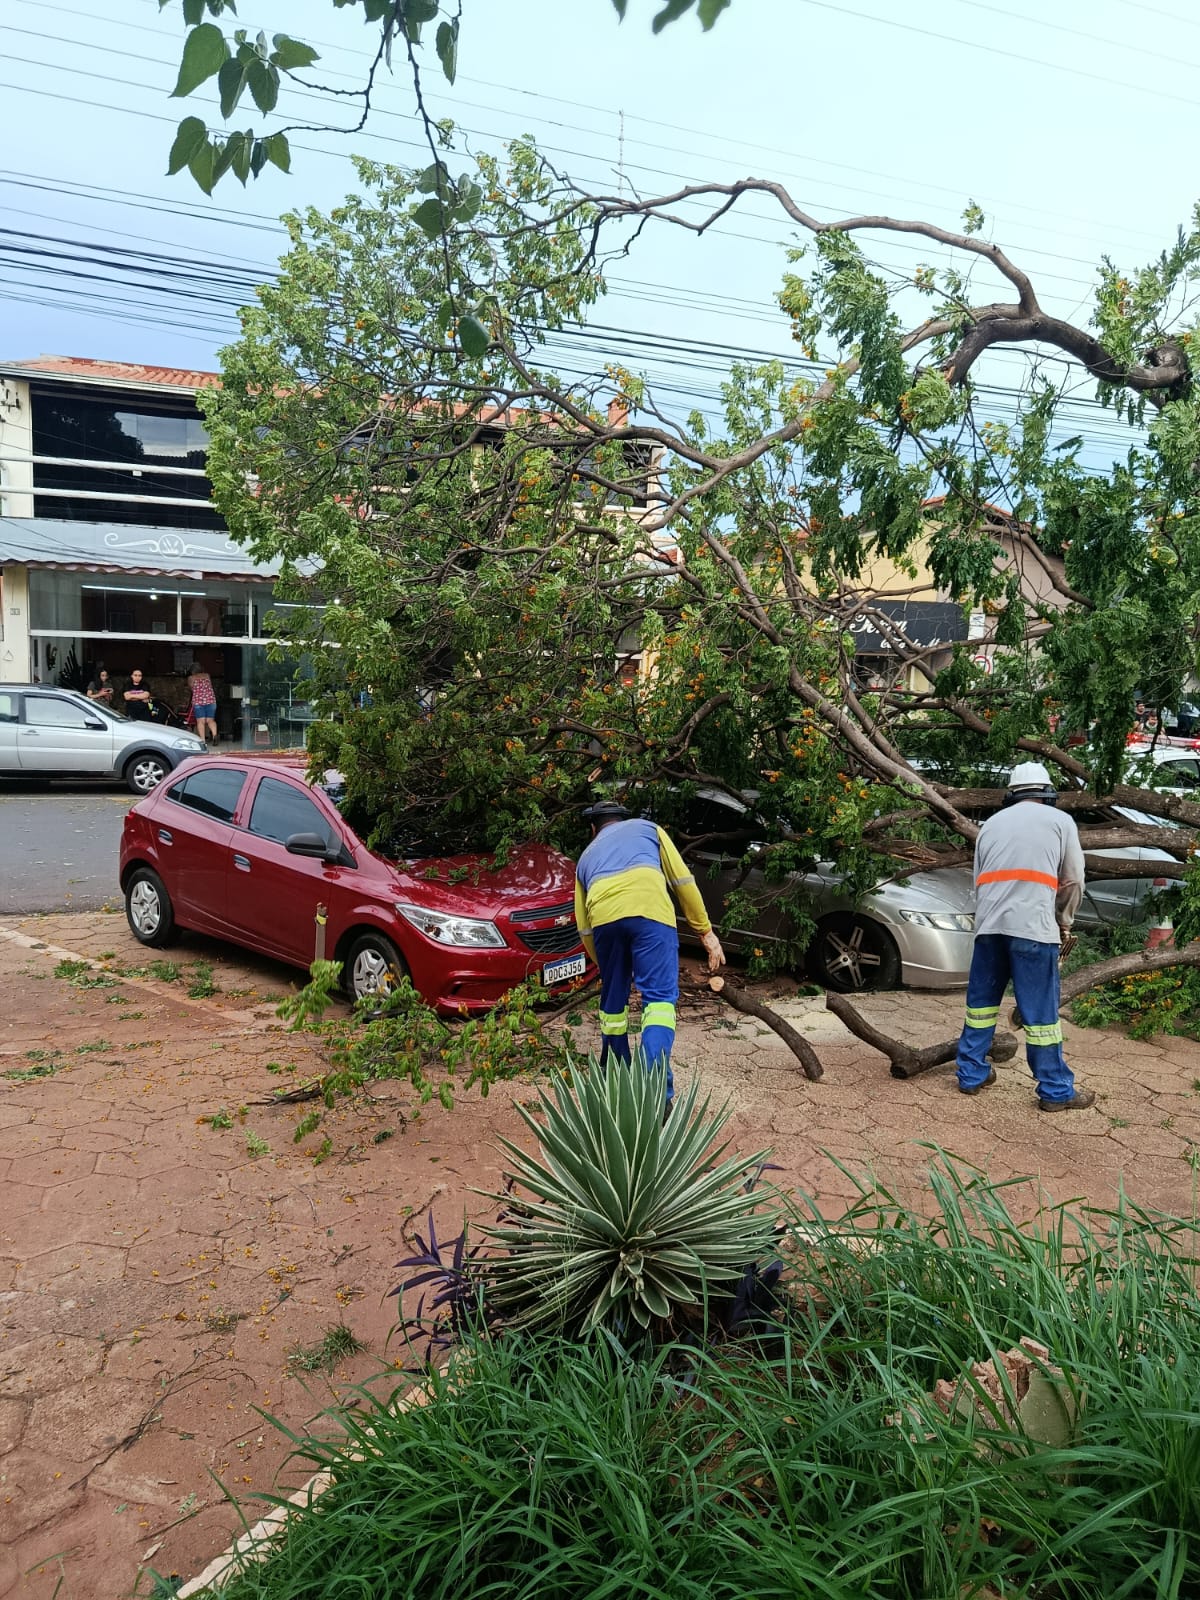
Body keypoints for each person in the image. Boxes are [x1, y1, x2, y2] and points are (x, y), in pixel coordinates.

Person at [955, 762, 1094, 1112]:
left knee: (981, 1007)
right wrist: (1064, 921)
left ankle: (971, 1074)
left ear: (1012, 794)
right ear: (1047, 794)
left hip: (989, 929)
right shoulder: (1060, 822)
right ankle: (1056, 1092)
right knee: (1041, 1016)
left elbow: (978, 881)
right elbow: (1073, 881)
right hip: (1034, 930)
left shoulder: (989, 826)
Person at [574, 799, 725, 1110]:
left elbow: (584, 928)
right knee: (658, 1002)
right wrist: (705, 932)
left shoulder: (585, 858)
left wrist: (608, 965)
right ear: (623, 819)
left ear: (594, 829)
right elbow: (683, 882)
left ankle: (616, 1081)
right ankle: (656, 1095)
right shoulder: (649, 829)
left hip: (604, 921)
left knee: (613, 1007)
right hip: (651, 914)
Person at [187, 665, 219, 745]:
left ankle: (203, 741)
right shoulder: (207, 676)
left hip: (198, 702)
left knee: (200, 721)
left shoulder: (191, 678)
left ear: (192, 671)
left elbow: (191, 688)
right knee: (210, 720)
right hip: (211, 700)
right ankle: (215, 735)